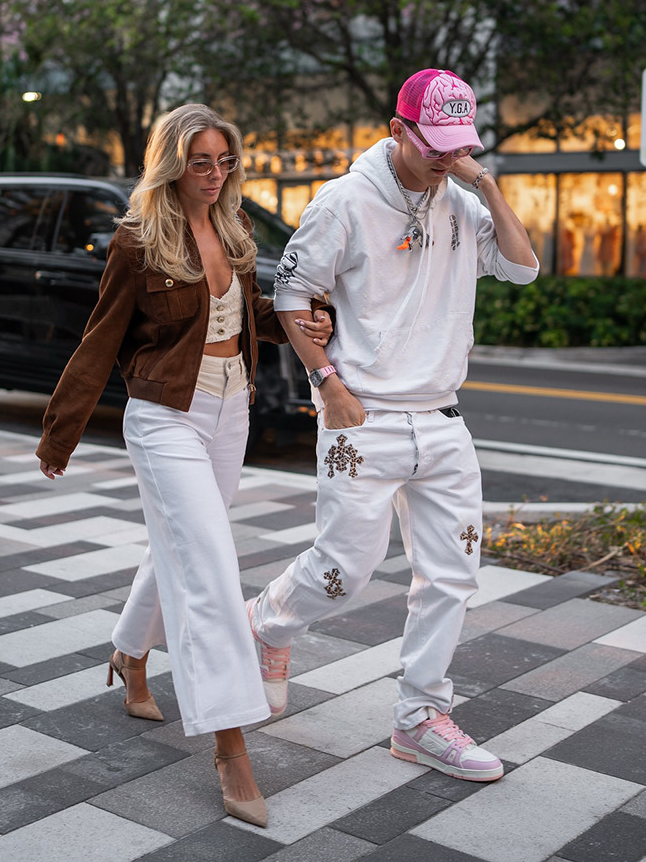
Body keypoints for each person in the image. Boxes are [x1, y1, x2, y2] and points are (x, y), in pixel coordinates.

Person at [36, 104, 332, 827]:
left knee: (181, 544)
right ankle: (230, 744)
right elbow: (101, 338)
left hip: (231, 410)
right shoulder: (138, 240)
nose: (215, 174)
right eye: (201, 162)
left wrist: (304, 322)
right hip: (164, 415)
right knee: (209, 569)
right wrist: (60, 434)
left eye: (225, 161)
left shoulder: (234, 229)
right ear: (172, 163)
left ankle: (130, 652)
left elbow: (245, 316)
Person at [246, 69, 539, 782]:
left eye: (457, 145)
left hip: (442, 419)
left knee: (453, 576)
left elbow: (523, 268)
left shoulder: (462, 202)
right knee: (343, 569)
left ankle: (419, 717)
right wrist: (327, 383)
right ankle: (265, 625)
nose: (446, 157)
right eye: (433, 143)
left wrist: (486, 183)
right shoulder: (343, 201)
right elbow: (291, 293)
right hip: (363, 418)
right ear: (397, 129)